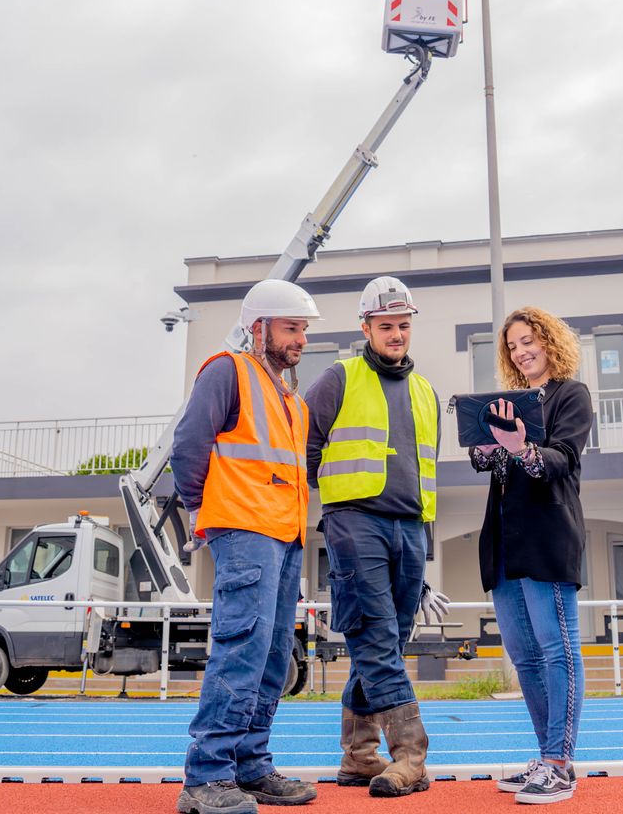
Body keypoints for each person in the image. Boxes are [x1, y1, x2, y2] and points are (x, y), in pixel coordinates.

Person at [172, 278, 322, 814]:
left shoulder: (291, 400)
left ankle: (251, 766)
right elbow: (188, 445)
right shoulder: (227, 371)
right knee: (242, 649)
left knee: (273, 655)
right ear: (258, 328)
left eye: (303, 329)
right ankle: (206, 777)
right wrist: (200, 510)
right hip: (244, 531)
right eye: (291, 328)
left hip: (285, 539)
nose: (300, 339)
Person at [304, 275, 448, 798]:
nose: (396, 335)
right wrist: (330, 507)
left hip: (411, 530)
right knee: (375, 636)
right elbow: (306, 449)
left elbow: (426, 471)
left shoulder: (427, 391)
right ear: (365, 326)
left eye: (403, 326)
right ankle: (410, 756)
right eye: (386, 326)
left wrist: (427, 550)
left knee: (385, 639)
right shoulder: (337, 379)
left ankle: (357, 757)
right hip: (355, 523)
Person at [469, 307, 593, 805]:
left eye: (529, 341)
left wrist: (522, 448)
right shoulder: (508, 403)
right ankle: (546, 757)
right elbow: (495, 461)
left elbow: (561, 459)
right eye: (514, 345)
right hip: (504, 542)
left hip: (547, 539)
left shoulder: (571, 395)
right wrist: (489, 448)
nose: (522, 351)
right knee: (524, 658)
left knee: (558, 651)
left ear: (550, 342)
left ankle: (561, 765)